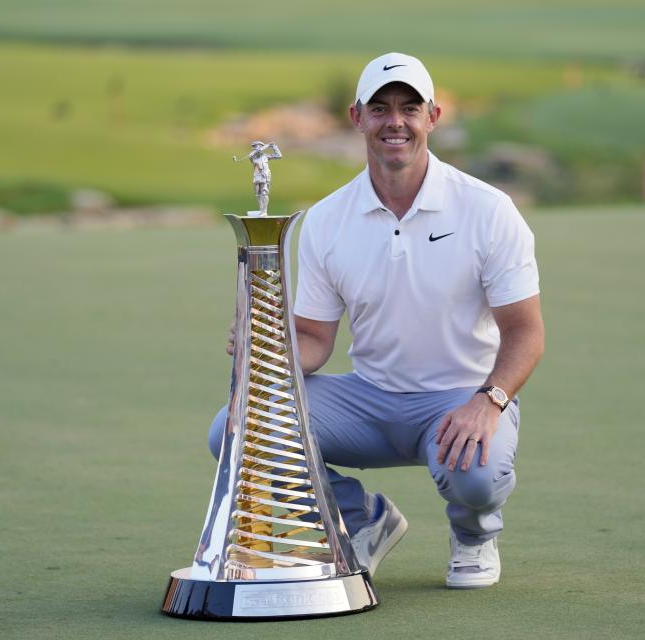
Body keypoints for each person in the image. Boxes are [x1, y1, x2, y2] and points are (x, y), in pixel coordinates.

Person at [210, 52, 544, 589]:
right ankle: (364, 520)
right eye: (380, 108)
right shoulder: (325, 221)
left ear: (432, 117)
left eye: (410, 108)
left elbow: (526, 332)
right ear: (356, 117)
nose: (395, 122)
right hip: (368, 398)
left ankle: (474, 535)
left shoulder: (488, 209)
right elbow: (315, 340)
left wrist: (490, 402)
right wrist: (264, 354)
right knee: (238, 431)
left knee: (478, 474)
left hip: (461, 398)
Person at [236, 140, 281, 215]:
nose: (254, 148)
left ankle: (264, 211)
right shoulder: (252, 156)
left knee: (264, 192)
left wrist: (274, 147)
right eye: (253, 147)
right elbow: (258, 151)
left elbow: (279, 155)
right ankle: (261, 209)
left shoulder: (266, 156)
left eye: (256, 146)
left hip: (265, 175)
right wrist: (267, 145)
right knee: (257, 193)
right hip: (257, 175)